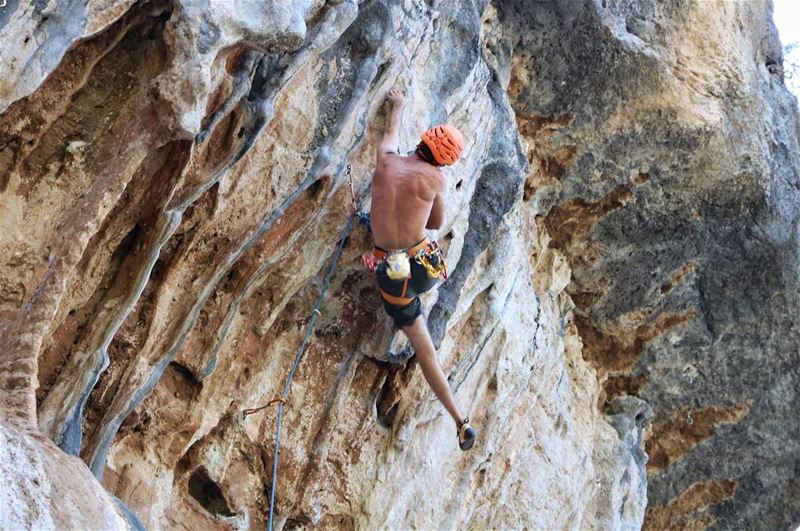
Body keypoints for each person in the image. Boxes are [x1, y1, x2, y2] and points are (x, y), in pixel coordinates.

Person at [361, 88, 477, 451]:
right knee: (426, 345)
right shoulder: (436, 179)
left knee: (424, 349)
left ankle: (460, 420)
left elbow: (391, 134)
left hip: (393, 273)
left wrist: (398, 105)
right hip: (424, 265)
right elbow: (437, 221)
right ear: (444, 162)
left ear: (424, 140)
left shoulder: (385, 162)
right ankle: (459, 419)